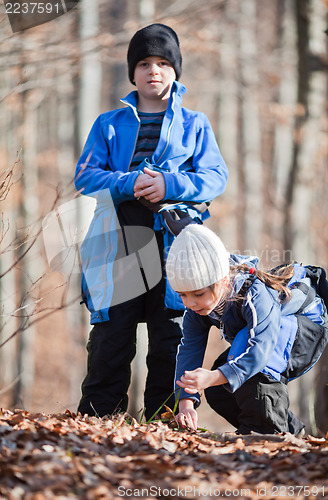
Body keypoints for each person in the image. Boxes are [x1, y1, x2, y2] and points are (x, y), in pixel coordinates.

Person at [74, 24, 228, 420]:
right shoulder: (109, 123)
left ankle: (165, 418)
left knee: (171, 333)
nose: (153, 70)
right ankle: (97, 420)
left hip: (174, 242)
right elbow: (86, 177)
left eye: (162, 62)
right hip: (119, 239)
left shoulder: (195, 123)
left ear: (175, 70)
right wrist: (129, 182)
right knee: (112, 333)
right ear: (133, 72)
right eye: (143, 63)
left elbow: (215, 177)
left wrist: (169, 183)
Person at [165, 224, 328, 434]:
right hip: (261, 339)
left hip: (304, 328)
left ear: (223, 281)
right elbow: (189, 351)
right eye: (182, 295)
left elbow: (260, 349)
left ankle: (265, 434)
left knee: (250, 370)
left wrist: (213, 376)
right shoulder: (197, 310)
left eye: (198, 294)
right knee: (220, 390)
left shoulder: (254, 293)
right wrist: (186, 403)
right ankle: (288, 432)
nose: (191, 303)